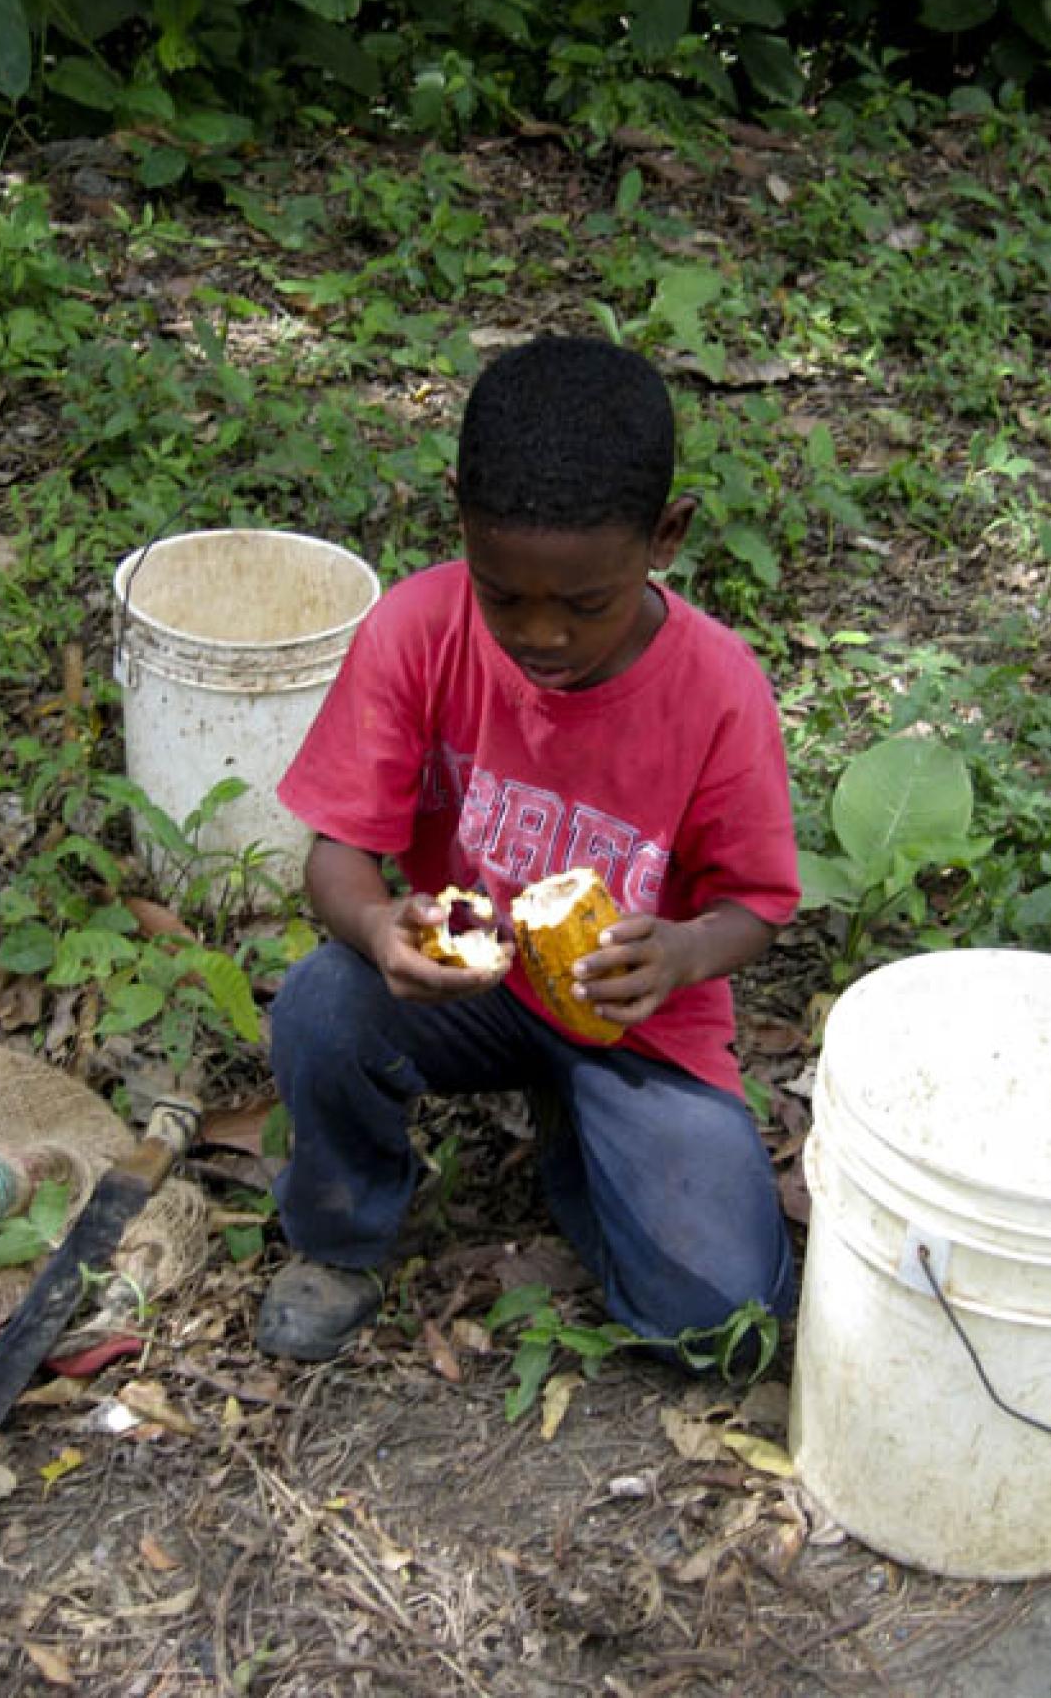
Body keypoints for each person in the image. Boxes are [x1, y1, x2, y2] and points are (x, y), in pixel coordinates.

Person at [257, 334, 799, 1364]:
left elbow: (757, 906)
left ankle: (577, 1125)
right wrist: (377, 925)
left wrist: (682, 953)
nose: (541, 635)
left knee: (718, 1324)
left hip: (631, 1019)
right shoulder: (416, 631)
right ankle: (340, 1235)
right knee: (322, 1003)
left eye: (585, 604)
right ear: (459, 517)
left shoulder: (719, 691)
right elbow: (336, 856)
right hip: (472, 988)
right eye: (504, 595)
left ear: (667, 536)